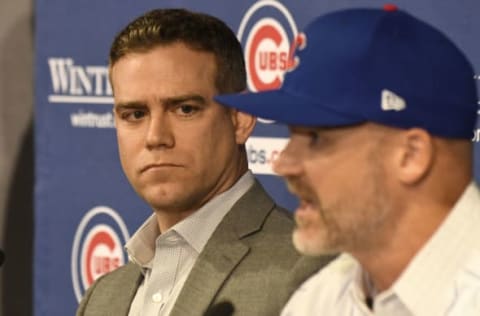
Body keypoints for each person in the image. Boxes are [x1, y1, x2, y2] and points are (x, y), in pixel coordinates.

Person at [216, 5, 480, 316]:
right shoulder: (319, 299)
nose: (282, 163)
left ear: (411, 156)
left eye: (315, 138)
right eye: (291, 135)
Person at [76, 8, 331, 316]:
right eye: (135, 115)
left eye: (184, 109)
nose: (156, 137)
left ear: (241, 119)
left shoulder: (311, 273)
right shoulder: (103, 298)